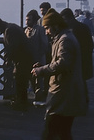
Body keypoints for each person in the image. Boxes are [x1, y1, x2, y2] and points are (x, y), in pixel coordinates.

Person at [31, 8, 87, 140]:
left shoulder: (64, 40)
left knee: (50, 131)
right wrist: (44, 66)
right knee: (63, 133)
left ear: (55, 26)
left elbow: (63, 64)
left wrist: (42, 70)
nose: (46, 32)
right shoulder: (64, 37)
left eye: (47, 28)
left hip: (63, 93)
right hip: (66, 93)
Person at [0, 17, 34, 110]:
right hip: (25, 57)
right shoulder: (11, 27)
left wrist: (8, 59)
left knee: (20, 80)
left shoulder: (9, 30)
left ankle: (21, 103)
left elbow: (12, 47)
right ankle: (22, 101)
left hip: (22, 59)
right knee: (21, 81)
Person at [60, 8, 94, 104]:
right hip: (84, 59)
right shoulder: (84, 27)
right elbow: (90, 45)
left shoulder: (68, 30)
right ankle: (84, 100)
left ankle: (77, 101)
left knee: (74, 81)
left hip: (75, 59)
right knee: (81, 81)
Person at [24, 9, 49, 104]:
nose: (27, 22)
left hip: (38, 58)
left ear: (34, 20)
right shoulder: (26, 30)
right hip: (29, 59)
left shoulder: (40, 29)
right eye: (26, 20)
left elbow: (44, 44)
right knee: (31, 80)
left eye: (29, 20)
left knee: (39, 81)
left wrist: (39, 55)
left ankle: (40, 98)